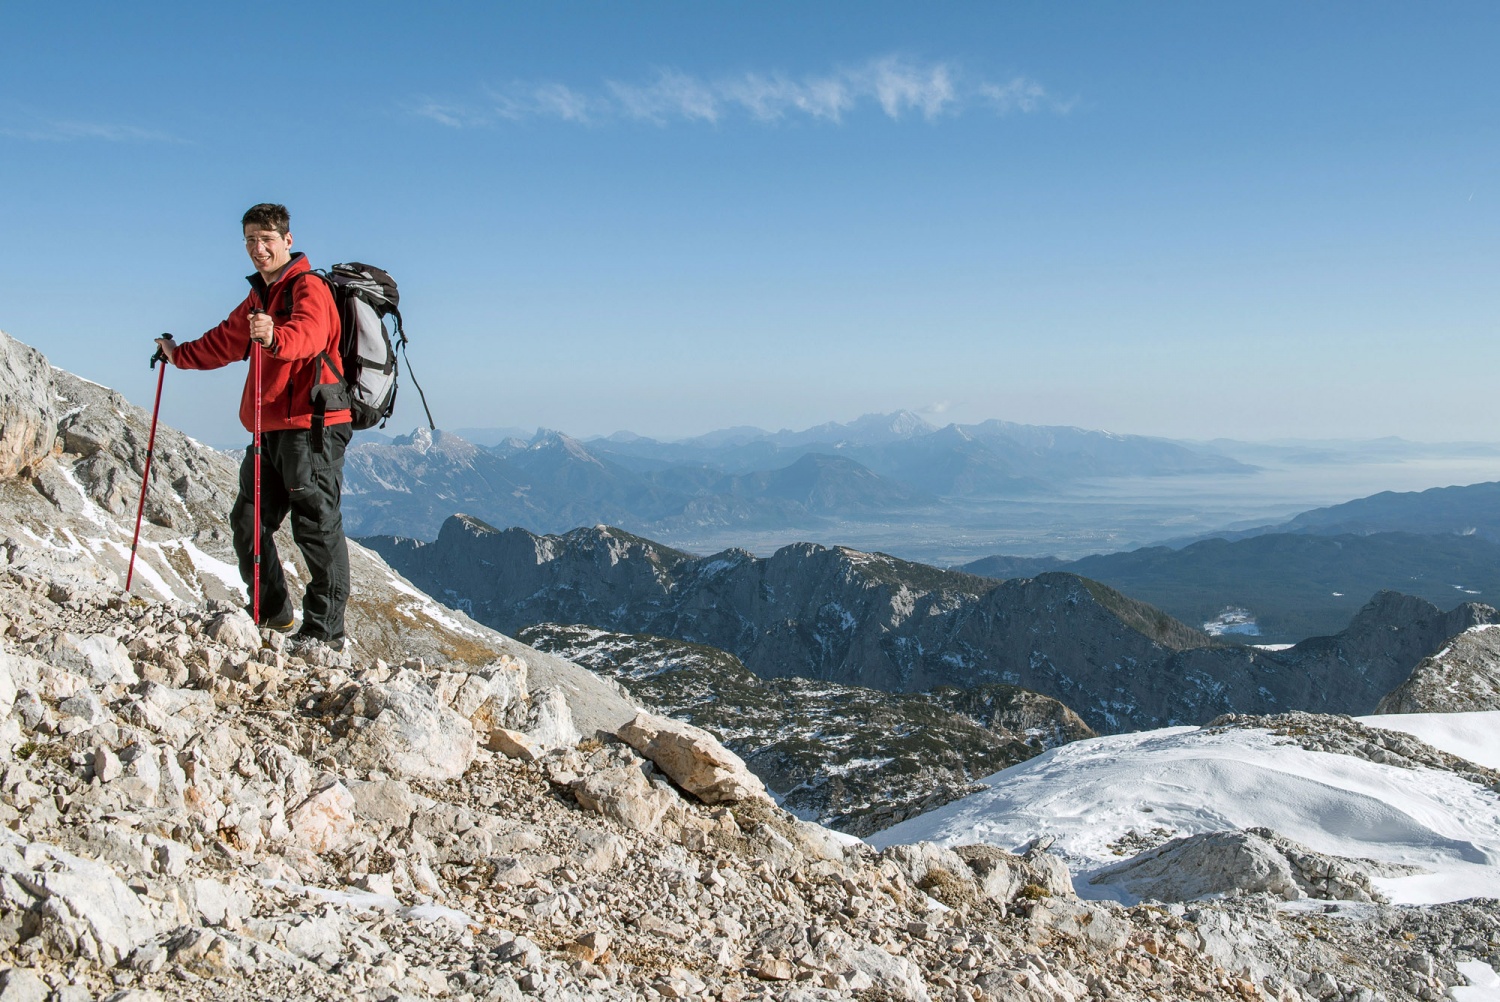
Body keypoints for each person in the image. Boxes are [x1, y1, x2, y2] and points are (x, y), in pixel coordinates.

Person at [155, 203, 352, 649]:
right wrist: (177, 354)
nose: (258, 248)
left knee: (315, 526)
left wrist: (274, 336)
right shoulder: (258, 297)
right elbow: (224, 340)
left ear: (287, 240)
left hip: (312, 425)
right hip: (270, 428)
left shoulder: (309, 287)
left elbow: (310, 334)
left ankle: (324, 634)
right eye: (249, 240)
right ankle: (272, 614)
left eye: (266, 239)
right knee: (248, 520)